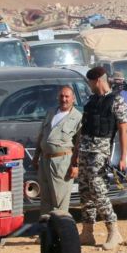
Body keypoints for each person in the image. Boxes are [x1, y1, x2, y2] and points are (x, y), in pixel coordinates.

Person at [77, 67, 127, 251]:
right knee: (84, 190)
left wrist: (122, 157)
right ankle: (87, 230)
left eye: (90, 81)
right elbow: (82, 130)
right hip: (85, 149)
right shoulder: (91, 101)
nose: (89, 85)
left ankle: (113, 230)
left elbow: (123, 130)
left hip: (100, 151)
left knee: (98, 190)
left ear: (97, 80)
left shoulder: (117, 101)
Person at [33, 85, 83, 215]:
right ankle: (46, 232)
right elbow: (41, 135)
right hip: (45, 161)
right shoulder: (51, 112)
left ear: (73, 99)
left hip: (62, 162)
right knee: (45, 198)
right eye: (61, 96)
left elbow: (79, 144)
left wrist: (75, 165)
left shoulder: (78, 117)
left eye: (67, 96)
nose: (64, 99)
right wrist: (36, 156)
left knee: (59, 199)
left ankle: (60, 231)